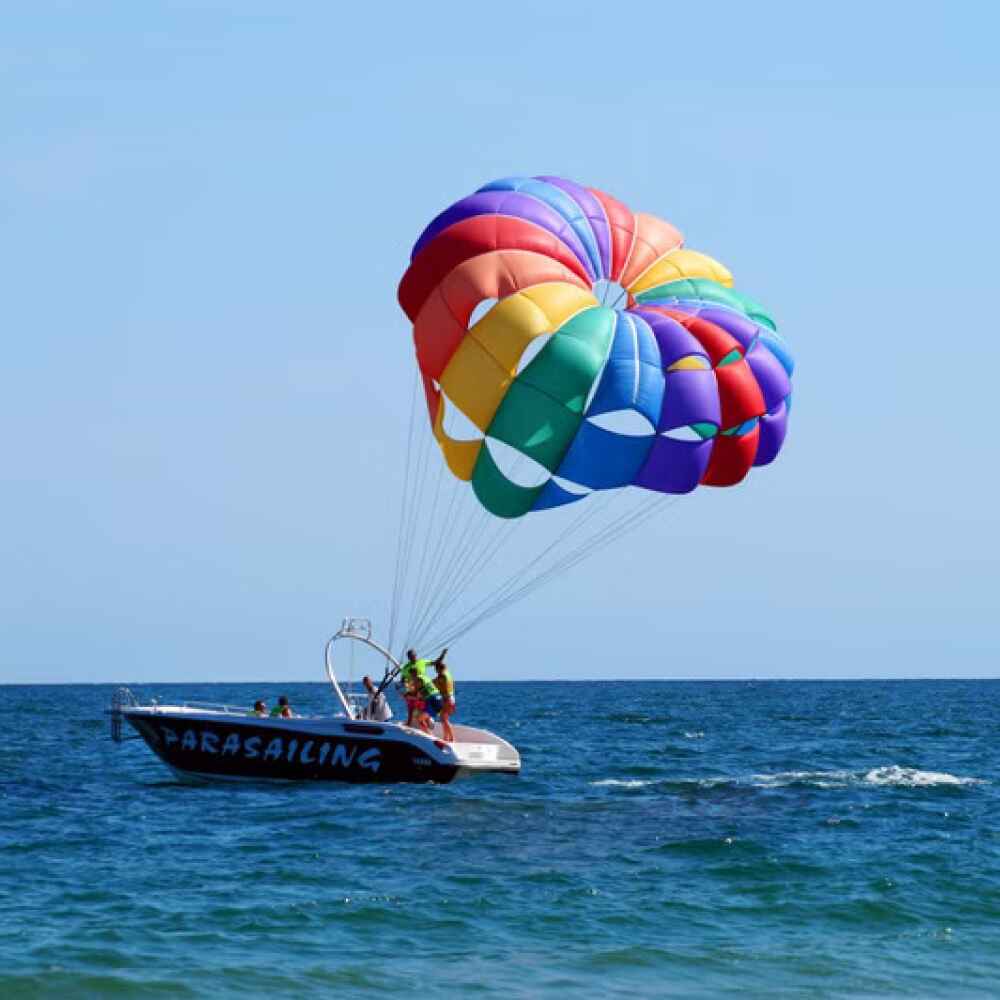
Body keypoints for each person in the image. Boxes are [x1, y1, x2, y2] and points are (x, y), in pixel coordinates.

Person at [433, 653, 456, 742]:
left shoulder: (442, 676)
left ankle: (452, 738)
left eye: (436, 669)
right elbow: (453, 685)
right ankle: (446, 737)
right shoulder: (448, 674)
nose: (436, 671)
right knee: (444, 718)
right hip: (451, 698)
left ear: (439, 669)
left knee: (443, 718)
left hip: (447, 699)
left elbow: (435, 683)